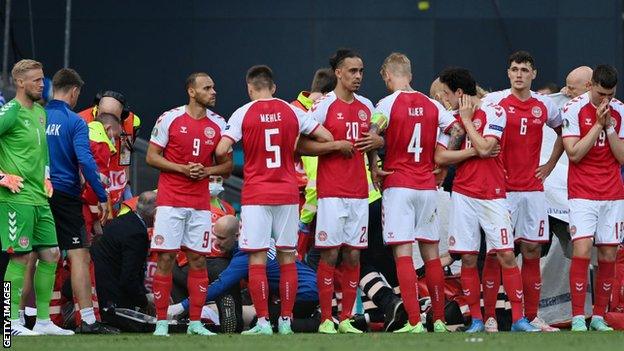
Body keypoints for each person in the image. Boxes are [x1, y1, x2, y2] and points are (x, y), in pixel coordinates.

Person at [215, 65, 332, 335]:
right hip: (288, 193)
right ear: (274, 87)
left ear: (250, 87)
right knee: (287, 258)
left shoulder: (244, 112)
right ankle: (286, 322)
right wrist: (291, 143)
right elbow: (325, 136)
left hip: (257, 193)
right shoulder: (292, 111)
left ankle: (264, 323)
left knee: (257, 258)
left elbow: (222, 148)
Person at [434, 67, 539, 332]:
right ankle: (478, 320)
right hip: (463, 194)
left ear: (459, 92)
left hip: (493, 195)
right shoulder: (453, 119)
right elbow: (441, 157)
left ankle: (518, 319)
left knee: (505, 254)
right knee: (468, 259)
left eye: (446, 94)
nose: (445, 100)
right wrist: (469, 146)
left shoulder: (495, 111)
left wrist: (468, 123)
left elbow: (485, 147)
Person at [368, 52, 459, 333]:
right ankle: (441, 320)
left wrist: (374, 164)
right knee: (431, 254)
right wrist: (442, 158)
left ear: (387, 74)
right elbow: (456, 128)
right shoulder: (432, 105)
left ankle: (415, 322)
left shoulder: (386, 103)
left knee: (403, 254)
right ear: (410, 74)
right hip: (426, 186)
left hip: (399, 185)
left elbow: (372, 131)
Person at [481, 51, 563, 332]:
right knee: (495, 252)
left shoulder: (545, 105)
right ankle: (490, 315)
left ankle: (532, 316)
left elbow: (565, 131)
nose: (519, 74)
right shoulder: (496, 102)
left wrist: (550, 164)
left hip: (533, 191)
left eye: (524, 70)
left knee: (531, 250)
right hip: (501, 191)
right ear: (508, 73)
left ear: (533, 74)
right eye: (514, 69)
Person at [146, 72, 231, 337]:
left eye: (214, 87)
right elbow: (151, 156)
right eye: (207, 88)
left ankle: (195, 322)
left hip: (200, 203)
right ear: (191, 92)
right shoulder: (169, 118)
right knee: (166, 259)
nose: (213, 91)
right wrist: (182, 169)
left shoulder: (219, 124)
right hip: (171, 200)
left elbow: (227, 167)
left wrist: (206, 171)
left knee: (198, 260)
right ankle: (161, 322)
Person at [305, 48, 376, 334]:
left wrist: (375, 154)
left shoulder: (366, 106)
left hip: (360, 192)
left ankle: (345, 318)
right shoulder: (323, 106)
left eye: (360, 71)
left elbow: (370, 143)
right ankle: (325, 319)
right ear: (338, 73)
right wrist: (334, 145)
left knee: (354, 255)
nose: (358, 76)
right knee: (330, 254)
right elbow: (300, 145)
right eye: (352, 71)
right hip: (331, 192)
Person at [0, 59, 73, 335]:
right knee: (19, 258)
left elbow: (42, 153)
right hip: (15, 198)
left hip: (39, 196)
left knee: (51, 254)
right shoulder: (11, 111)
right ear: (20, 82)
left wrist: (46, 176)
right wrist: (1, 177)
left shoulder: (40, 113)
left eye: (43, 80)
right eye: (36, 80)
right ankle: (10, 323)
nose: (42, 84)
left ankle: (43, 321)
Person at [45, 68, 118, 334]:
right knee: (79, 256)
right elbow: (86, 162)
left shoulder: (36, 116)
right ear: (74, 92)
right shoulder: (75, 121)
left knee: (32, 258)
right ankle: (87, 320)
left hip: (37, 194)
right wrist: (101, 195)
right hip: (65, 195)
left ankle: (21, 321)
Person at [170, 215, 320, 332]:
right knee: (264, 318)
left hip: (305, 293)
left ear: (236, 235)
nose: (216, 243)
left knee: (260, 323)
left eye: (221, 238)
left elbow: (221, 284)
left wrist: (182, 306)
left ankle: (319, 322)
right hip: (306, 288)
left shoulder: (245, 252)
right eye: (215, 236)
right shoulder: (256, 238)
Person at [561, 64, 624, 332]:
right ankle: (578, 316)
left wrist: (609, 128)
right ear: (590, 87)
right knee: (583, 249)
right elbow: (574, 153)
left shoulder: (620, 111)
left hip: (612, 192)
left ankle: (599, 316)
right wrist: (597, 125)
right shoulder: (572, 108)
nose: (605, 100)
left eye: (610, 95)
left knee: (609, 252)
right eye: (600, 94)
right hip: (582, 191)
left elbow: (621, 157)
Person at [91, 191, 156, 318]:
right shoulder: (137, 234)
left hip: (98, 290)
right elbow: (129, 278)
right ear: (154, 212)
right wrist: (144, 302)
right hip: (112, 301)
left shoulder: (122, 221)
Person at [79, 91, 140, 209]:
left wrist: (127, 186)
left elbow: (125, 156)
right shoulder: (80, 121)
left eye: (114, 119)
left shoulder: (131, 121)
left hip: (117, 192)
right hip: (91, 195)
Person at [82, 113, 121, 237]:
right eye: (116, 136)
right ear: (108, 128)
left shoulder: (83, 131)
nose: (115, 142)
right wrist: (94, 213)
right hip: (83, 203)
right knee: (82, 248)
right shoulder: (101, 144)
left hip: (64, 192)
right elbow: (96, 180)